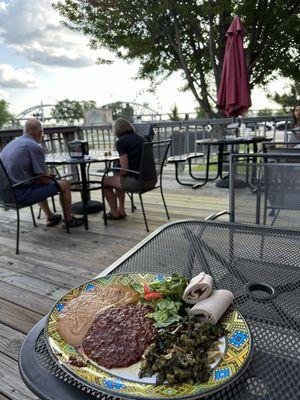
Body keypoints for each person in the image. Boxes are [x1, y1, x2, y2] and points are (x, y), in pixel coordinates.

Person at [0, 118, 83, 228]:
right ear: (40, 133)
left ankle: (51, 217)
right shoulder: (33, 146)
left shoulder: (11, 144)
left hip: (3, 196)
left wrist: (44, 177)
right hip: (19, 195)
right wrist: (49, 177)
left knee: (37, 183)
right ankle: (69, 220)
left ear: (24, 131)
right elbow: (43, 180)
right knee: (65, 184)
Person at [102, 118, 157, 220]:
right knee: (117, 177)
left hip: (138, 183)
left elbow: (125, 169)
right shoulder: (142, 139)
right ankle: (121, 209)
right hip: (152, 180)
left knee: (105, 182)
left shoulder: (121, 142)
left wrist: (119, 175)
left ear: (116, 130)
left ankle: (114, 212)